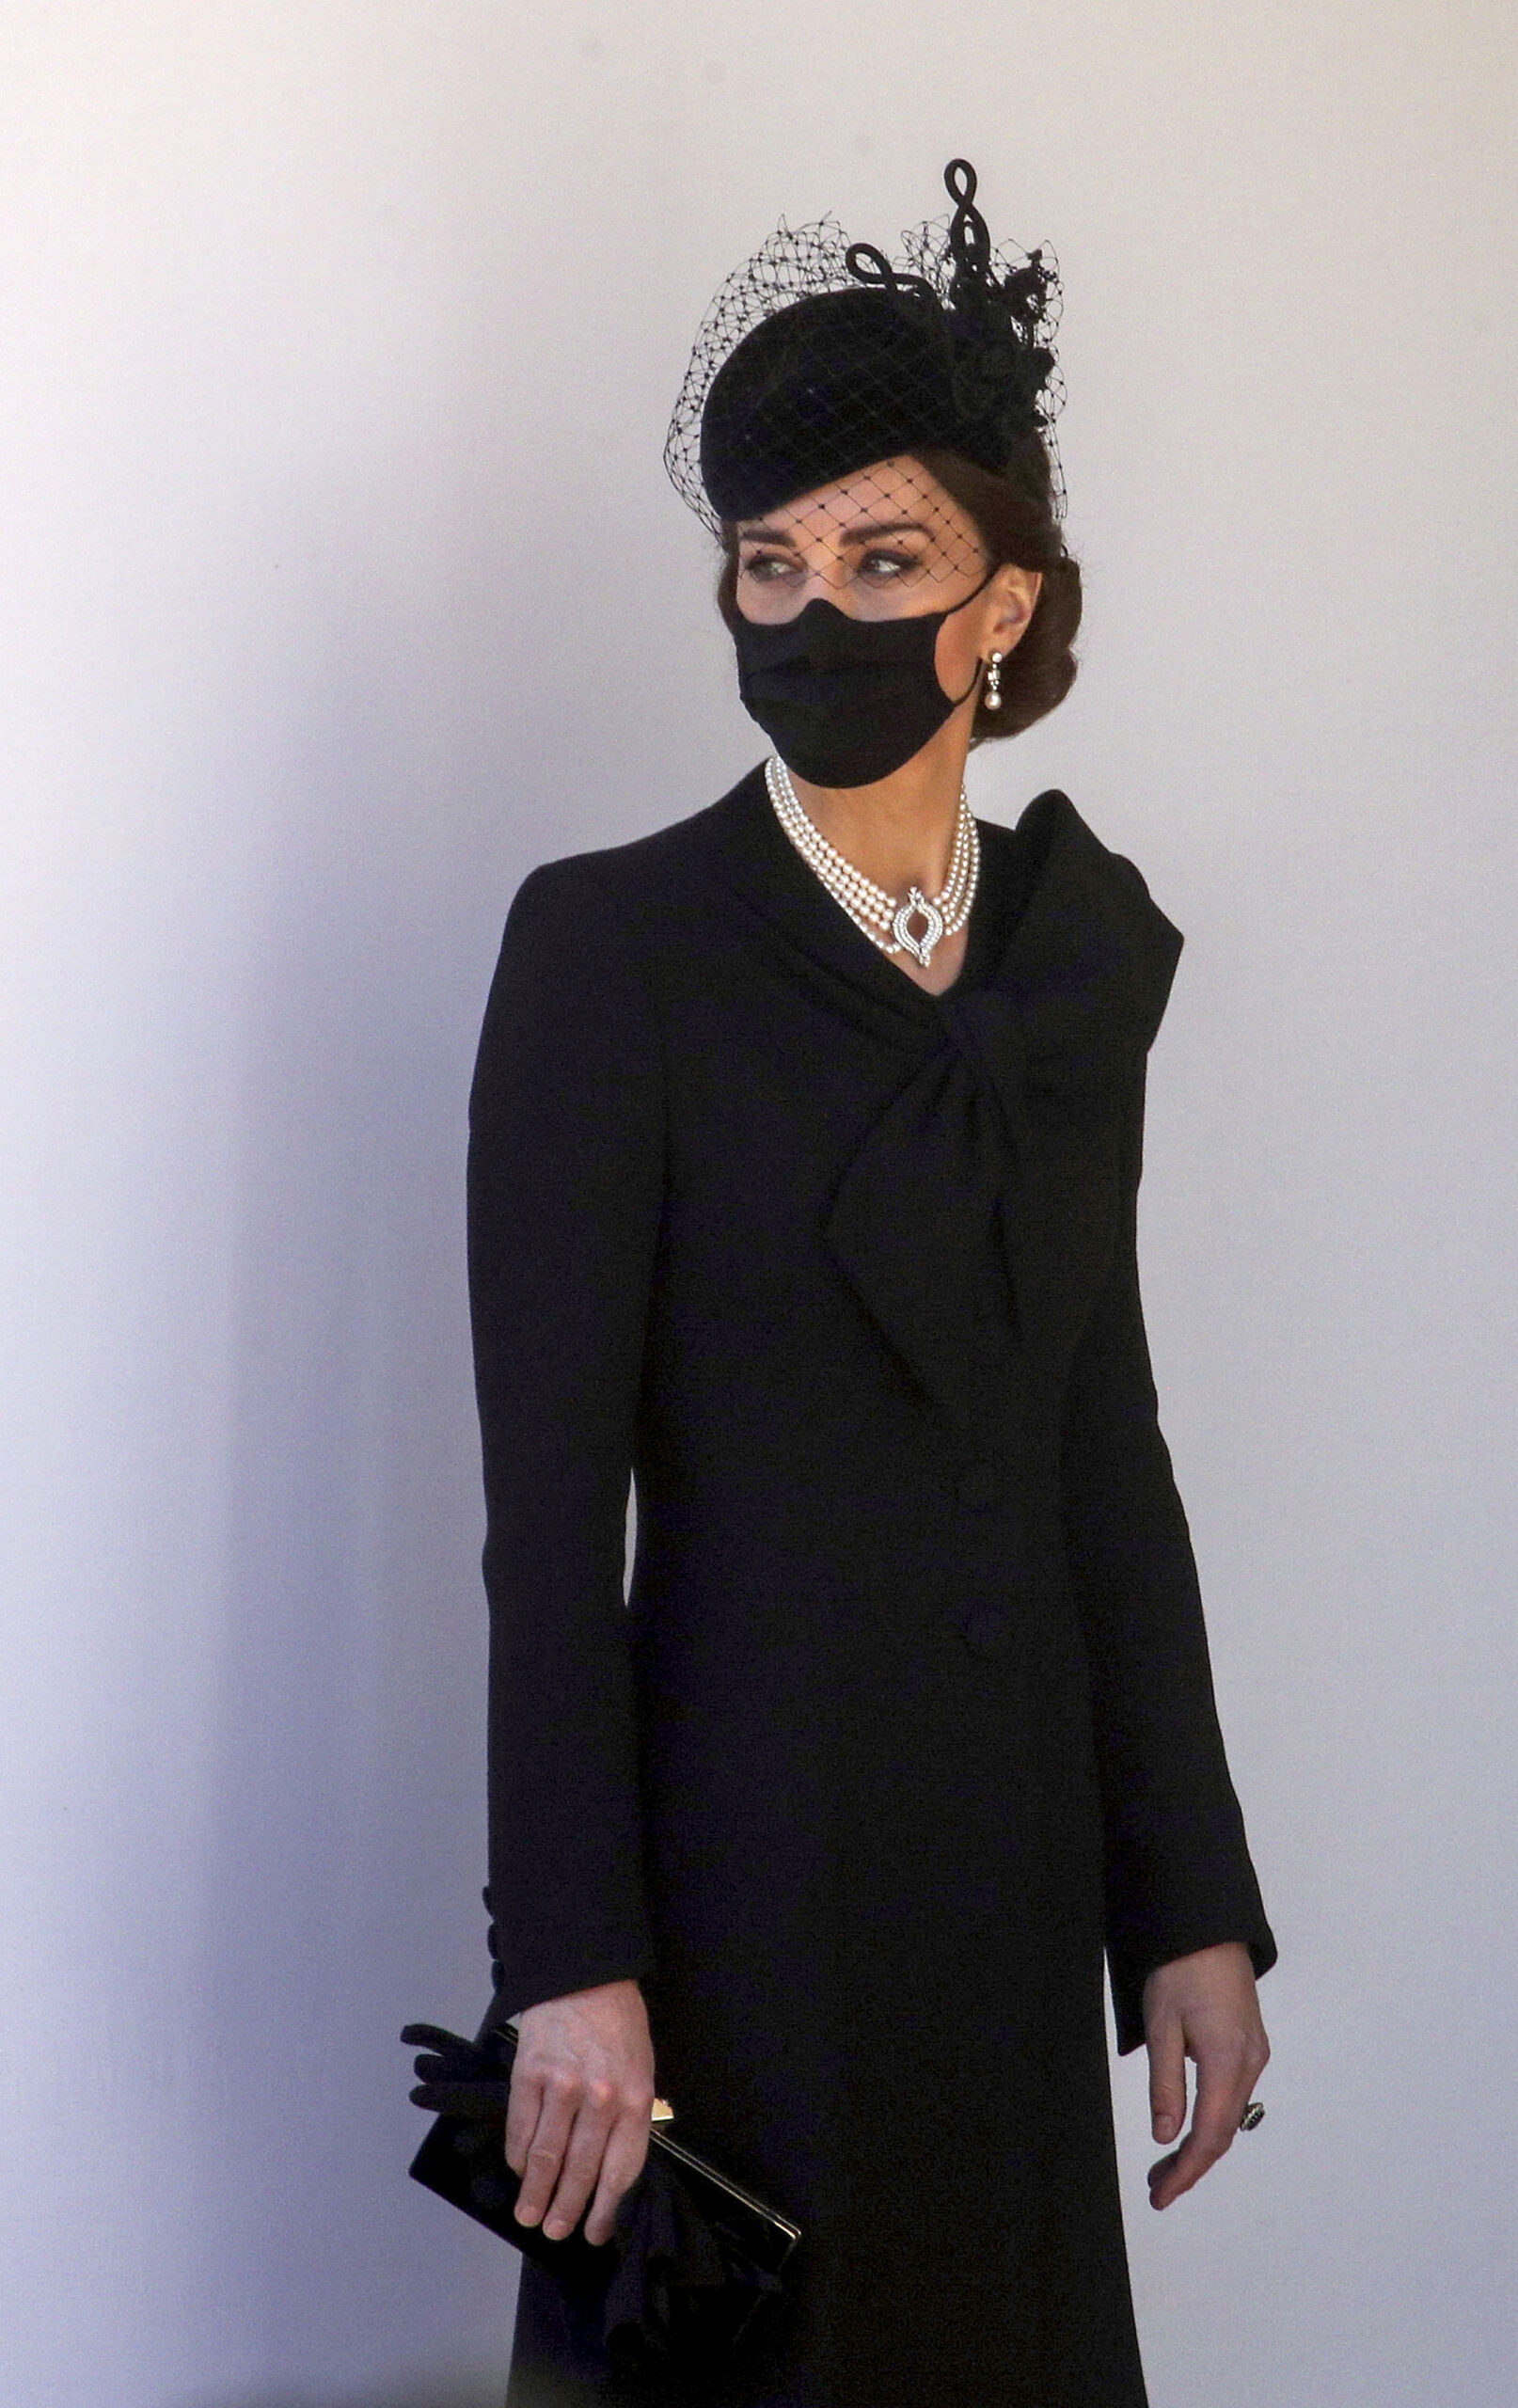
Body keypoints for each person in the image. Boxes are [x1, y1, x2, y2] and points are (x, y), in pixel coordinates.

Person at [466, 158, 1277, 2408]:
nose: (814, 607)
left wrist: (1186, 1898)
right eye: (771, 561)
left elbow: (1102, 1442)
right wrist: (570, 1959)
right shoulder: (612, 950)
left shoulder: (1066, 966)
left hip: (1008, 1880)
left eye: (883, 558)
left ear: (1003, 603)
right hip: (731, 1898)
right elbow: (552, 1515)